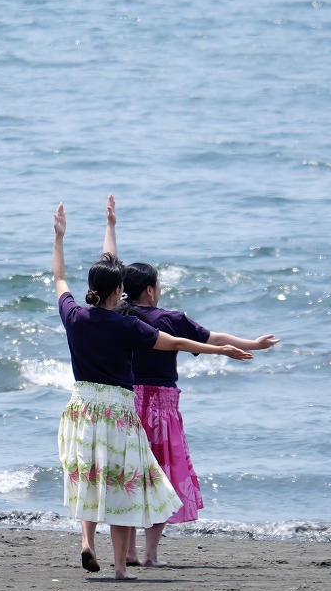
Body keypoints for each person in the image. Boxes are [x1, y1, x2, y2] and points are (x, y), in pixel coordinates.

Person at [51, 202, 253, 580]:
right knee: (124, 484)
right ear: (118, 293)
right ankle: (119, 570)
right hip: (118, 412)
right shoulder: (128, 327)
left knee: (90, 477)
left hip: (81, 408)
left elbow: (59, 278)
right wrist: (220, 350)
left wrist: (59, 237)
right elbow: (175, 343)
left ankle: (85, 543)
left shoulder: (74, 316)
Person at [101, 195, 279, 566]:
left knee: (134, 473)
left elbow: (109, 264)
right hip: (163, 405)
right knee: (163, 475)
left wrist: (112, 226)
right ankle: (150, 554)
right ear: (150, 289)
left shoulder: (120, 313)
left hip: (128, 402)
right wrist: (254, 344)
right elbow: (213, 338)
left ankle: (129, 551)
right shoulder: (170, 318)